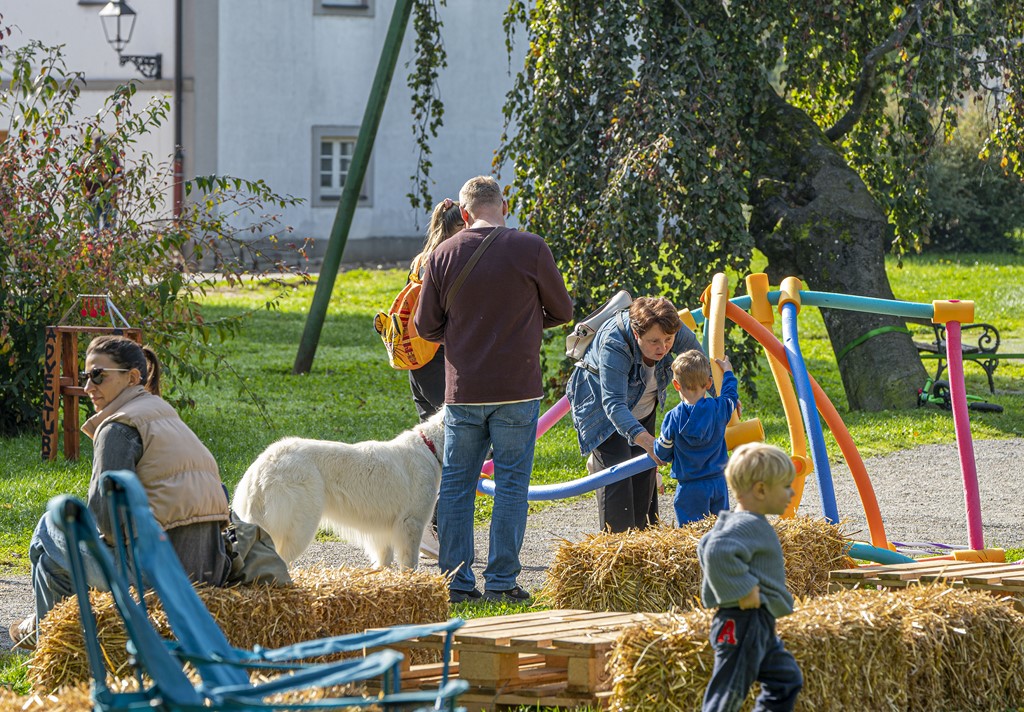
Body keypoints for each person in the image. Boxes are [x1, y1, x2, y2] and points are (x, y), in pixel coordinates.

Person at [8, 336, 231, 650]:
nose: (88, 387)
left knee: (49, 527)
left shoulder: (117, 428)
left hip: (155, 583)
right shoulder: (165, 416)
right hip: (208, 574)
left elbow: (107, 524)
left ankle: (50, 640)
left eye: (98, 376)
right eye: (86, 377)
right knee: (51, 563)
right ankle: (50, 635)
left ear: (133, 378)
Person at [414, 175, 573, 603]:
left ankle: (457, 584)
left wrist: (461, 336)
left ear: (464, 215)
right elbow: (563, 309)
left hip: (463, 389)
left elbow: (424, 326)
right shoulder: (531, 248)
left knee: (457, 487)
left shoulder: (443, 254)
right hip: (518, 386)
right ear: (504, 207)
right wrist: (524, 325)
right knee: (512, 486)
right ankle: (502, 582)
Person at [566, 296, 702, 533]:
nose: (663, 348)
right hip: (603, 413)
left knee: (644, 482)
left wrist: (724, 398)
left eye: (668, 340)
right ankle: (618, 553)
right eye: (654, 342)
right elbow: (614, 405)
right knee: (617, 482)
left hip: (643, 405)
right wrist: (649, 441)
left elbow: (701, 366)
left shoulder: (669, 327)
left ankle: (645, 551)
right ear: (637, 334)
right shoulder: (615, 343)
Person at [697, 442, 803, 712]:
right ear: (761, 489)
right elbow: (716, 550)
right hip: (743, 623)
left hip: (758, 625)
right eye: (786, 486)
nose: (791, 492)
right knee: (727, 694)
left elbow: (706, 543)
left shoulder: (742, 521)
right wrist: (743, 590)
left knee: (786, 679)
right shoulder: (747, 523)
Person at [409, 198, 466, 559]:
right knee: (452, 448)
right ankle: (434, 530)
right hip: (440, 360)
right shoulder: (448, 258)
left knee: (432, 449)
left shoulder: (421, 260)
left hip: (418, 361)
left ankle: (429, 526)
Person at [654, 350, 739, 525]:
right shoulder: (719, 408)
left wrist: (671, 456)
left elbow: (662, 451)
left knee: (691, 532)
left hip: (690, 486)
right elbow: (730, 395)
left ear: (676, 385)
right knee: (721, 528)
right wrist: (728, 372)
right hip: (717, 482)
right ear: (709, 383)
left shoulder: (673, 418)